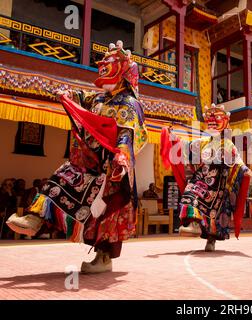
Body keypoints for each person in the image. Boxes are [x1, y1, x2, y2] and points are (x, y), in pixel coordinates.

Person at [7, 40, 148, 273]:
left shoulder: (130, 104)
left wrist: (121, 159)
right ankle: (36, 218)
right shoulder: (99, 99)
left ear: (123, 70)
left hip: (110, 167)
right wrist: (66, 94)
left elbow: (127, 135)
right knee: (60, 178)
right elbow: (81, 98)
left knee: (106, 213)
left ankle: (104, 257)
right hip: (86, 161)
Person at [161, 104, 252, 252]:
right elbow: (184, 147)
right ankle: (193, 225)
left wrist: (245, 170)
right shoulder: (201, 142)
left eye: (217, 119)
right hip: (200, 179)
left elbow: (238, 161)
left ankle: (211, 239)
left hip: (218, 185)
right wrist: (172, 137)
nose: (213, 123)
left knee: (214, 215)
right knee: (189, 196)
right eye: (210, 120)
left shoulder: (228, 144)